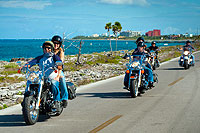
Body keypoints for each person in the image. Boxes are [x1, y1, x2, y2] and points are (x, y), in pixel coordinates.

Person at [20, 41, 65, 109]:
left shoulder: (54, 57)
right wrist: (25, 66)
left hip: (52, 76)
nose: (46, 49)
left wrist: (59, 65)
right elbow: (32, 62)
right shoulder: (40, 57)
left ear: (51, 49)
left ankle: (56, 101)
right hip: (42, 77)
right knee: (31, 83)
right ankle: (27, 100)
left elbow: (59, 62)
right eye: (45, 48)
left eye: (48, 48)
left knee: (53, 83)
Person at [51, 35, 68, 107]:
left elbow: (60, 64)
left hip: (58, 70)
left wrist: (58, 75)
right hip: (49, 70)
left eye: (57, 43)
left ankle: (64, 98)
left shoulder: (61, 52)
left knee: (62, 79)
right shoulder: (49, 51)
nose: (56, 45)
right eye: (54, 43)